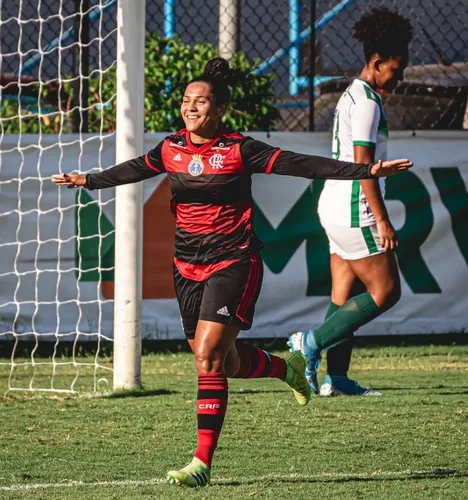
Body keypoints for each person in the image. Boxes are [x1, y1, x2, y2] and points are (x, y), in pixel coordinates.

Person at [53, 57, 412, 487]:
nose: (191, 107)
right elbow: (134, 169)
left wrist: (366, 170)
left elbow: (303, 164)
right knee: (228, 360)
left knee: (208, 357)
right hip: (186, 265)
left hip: (235, 260)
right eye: (186, 100)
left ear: (220, 108)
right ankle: (288, 370)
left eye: (200, 101)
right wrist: (88, 180)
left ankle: (201, 462)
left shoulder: (240, 149)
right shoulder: (171, 148)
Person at [288, 7, 413, 397]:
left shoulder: (355, 95)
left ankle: (337, 380)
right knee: (386, 292)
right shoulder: (367, 103)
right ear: (376, 62)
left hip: (335, 204)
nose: (401, 75)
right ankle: (308, 343)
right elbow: (364, 168)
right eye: (396, 67)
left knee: (343, 294)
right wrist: (383, 221)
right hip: (354, 208)